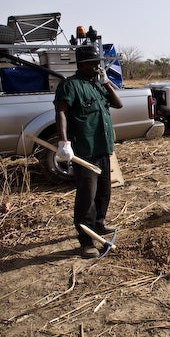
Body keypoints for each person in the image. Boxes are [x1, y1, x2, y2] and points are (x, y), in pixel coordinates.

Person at [54, 45, 123, 258]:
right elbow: (61, 112)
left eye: (98, 63)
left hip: (103, 147)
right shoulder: (69, 86)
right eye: (93, 64)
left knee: (104, 191)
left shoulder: (97, 84)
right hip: (85, 149)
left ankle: (99, 225)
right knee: (87, 195)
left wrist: (107, 83)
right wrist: (63, 141)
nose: (97, 67)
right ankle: (85, 240)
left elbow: (118, 104)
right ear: (81, 64)